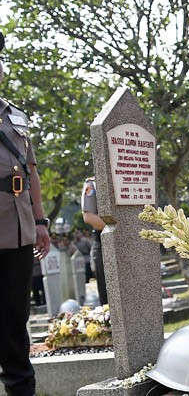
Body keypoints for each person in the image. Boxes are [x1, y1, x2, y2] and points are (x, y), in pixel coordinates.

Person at [0, 30, 52, 396]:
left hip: (18, 230)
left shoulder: (14, 117)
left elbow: (29, 170)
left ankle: (22, 390)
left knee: (15, 320)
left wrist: (40, 220)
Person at [82, 176, 108, 305]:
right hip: (104, 241)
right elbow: (89, 217)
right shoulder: (93, 183)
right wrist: (119, 228)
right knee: (108, 295)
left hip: (130, 240)